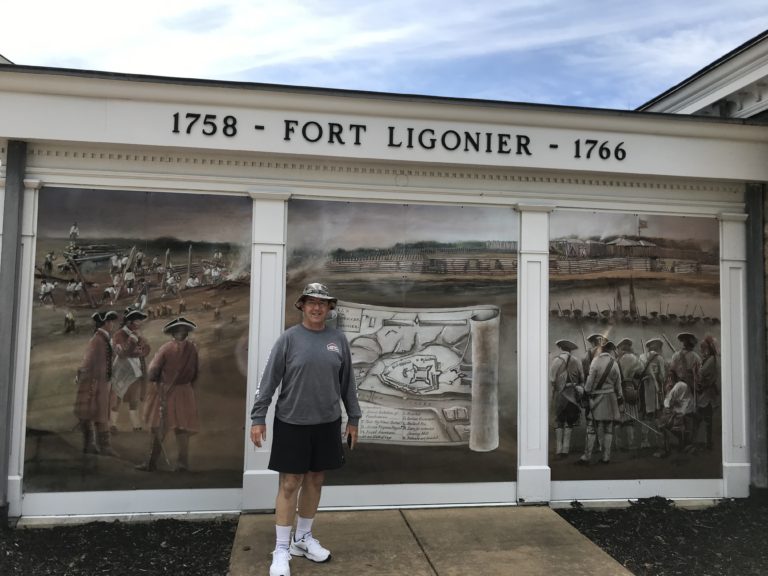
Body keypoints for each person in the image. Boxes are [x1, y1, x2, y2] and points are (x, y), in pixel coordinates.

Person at [250, 282, 361, 576]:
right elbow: (268, 380)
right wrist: (258, 417)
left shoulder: (338, 340)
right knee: (290, 483)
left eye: (322, 303)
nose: (316, 307)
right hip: (292, 423)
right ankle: (281, 549)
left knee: (315, 479)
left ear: (329, 309)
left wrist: (354, 418)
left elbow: (348, 383)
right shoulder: (288, 340)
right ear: (302, 306)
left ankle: (302, 539)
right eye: (311, 302)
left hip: (327, 423)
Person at [136, 317, 200, 472]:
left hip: (168, 392)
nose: (180, 333)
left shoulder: (166, 348)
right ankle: (181, 464)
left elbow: (152, 372)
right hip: (184, 392)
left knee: (161, 427)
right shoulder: (193, 348)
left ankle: (151, 463)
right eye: (179, 330)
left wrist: (158, 382)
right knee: (181, 428)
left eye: (181, 330)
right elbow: (196, 373)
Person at [74, 310, 119, 456]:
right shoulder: (97, 340)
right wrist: (82, 375)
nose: (113, 324)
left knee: (100, 412)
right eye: (110, 321)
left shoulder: (104, 338)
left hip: (101, 381)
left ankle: (101, 446)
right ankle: (93, 445)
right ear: (105, 323)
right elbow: (87, 361)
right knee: (92, 411)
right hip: (93, 382)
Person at [577, 340, 623, 465]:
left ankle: (587, 456)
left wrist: (586, 392)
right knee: (608, 428)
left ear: (601, 349)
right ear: (611, 350)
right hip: (611, 398)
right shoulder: (614, 363)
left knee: (591, 428)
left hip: (597, 399)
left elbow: (589, 384)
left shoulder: (595, 361)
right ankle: (606, 458)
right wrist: (619, 397)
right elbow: (618, 385)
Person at [110, 307, 151, 432]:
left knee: (134, 398)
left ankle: (136, 425)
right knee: (117, 397)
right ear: (129, 322)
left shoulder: (138, 334)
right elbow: (122, 353)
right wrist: (133, 342)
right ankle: (112, 425)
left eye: (139, 321)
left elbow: (146, 349)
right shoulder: (119, 335)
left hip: (136, 370)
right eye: (137, 321)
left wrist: (138, 351)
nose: (139, 324)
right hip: (121, 370)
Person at [549, 339, 584, 458]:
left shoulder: (556, 361)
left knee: (559, 422)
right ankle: (565, 450)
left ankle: (558, 450)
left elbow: (552, 379)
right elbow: (581, 378)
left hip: (560, 395)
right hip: (572, 395)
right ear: (570, 350)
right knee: (569, 422)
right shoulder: (577, 361)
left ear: (560, 348)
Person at [637, 338, 667, 449]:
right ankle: (660, 440)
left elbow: (638, 372)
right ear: (658, 348)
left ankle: (645, 441)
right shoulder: (659, 358)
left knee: (645, 415)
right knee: (657, 414)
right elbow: (662, 377)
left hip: (643, 389)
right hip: (655, 389)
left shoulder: (641, 357)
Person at [694, 335, 720, 450]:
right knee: (706, 419)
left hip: (707, 394)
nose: (701, 351)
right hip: (707, 393)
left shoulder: (711, 360)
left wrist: (696, 370)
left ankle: (697, 443)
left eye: (703, 348)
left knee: (699, 418)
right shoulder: (710, 359)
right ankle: (706, 443)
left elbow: (702, 374)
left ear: (708, 348)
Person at [616, 338, 642, 452]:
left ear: (621, 348)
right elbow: (641, 371)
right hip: (630, 387)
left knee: (618, 419)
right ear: (629, 347)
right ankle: (631, 444)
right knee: (630, 419)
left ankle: (618, 444)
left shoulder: (617, 360)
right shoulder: (634, 358)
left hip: (618, 390)